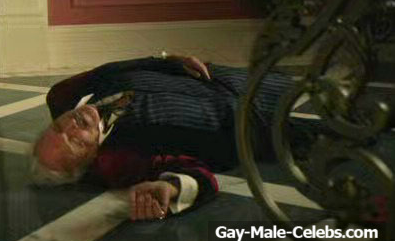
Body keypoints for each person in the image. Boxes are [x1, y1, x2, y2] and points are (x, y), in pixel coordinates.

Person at [28, 54, 306, 221]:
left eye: (58, 127)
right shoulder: (122, 157)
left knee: (305, 84)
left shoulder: (82, 92)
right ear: (90, 158)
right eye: (76, 142)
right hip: (257, 123)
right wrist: (170, 188)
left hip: (231, 80)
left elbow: (114, 68)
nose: (71, 125)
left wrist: (170, 60)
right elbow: (199, 176)